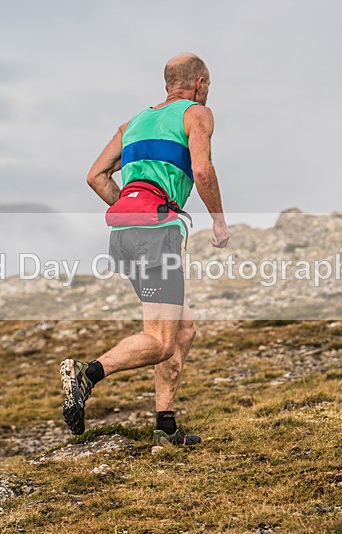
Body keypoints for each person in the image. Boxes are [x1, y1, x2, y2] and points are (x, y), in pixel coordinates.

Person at [61, 52, 229, 446]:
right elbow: (202, 170)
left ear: (166, 83)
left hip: (124, 234)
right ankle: (86, 374)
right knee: (159, 340)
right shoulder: (196, 114)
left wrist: (131, 209)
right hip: (158, 232)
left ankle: (165, 427)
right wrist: (219, 220)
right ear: (200, 84)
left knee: (182, 329)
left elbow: (95, 177)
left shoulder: (131, 123)